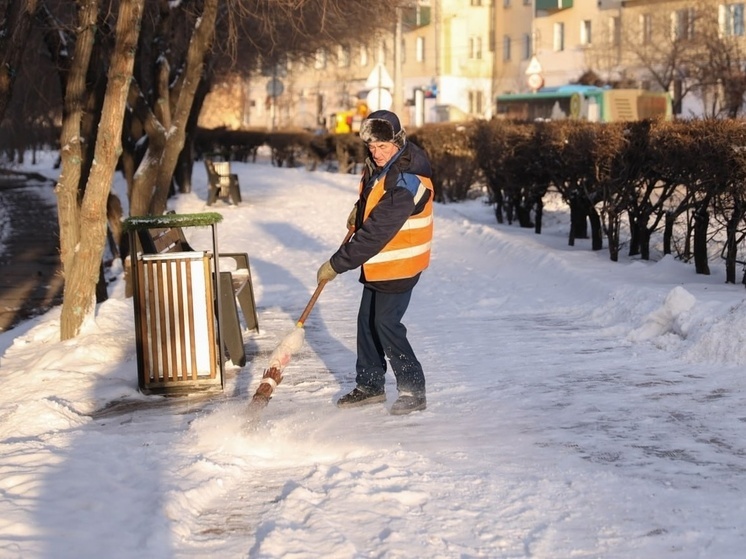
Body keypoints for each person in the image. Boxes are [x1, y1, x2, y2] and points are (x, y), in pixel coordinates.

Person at [316, 110, 434, 415]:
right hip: (380, 263)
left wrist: (337, 264)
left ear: (398, 141)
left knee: (386, 324)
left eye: (383, 147)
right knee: (367, 323)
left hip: (400, 262)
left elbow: (375, 235)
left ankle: (413, 389)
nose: (376, 153)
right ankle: (370, 386)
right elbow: (373, 195)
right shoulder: (381, 165)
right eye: (371, 147)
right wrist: (359, 209)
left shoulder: (407, 179)